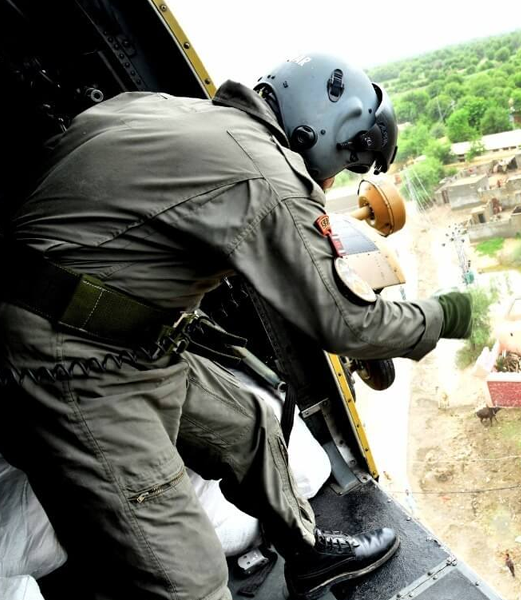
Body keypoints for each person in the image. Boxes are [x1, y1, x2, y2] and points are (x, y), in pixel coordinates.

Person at [0, 54, 473, 600]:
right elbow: (350, 326)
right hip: (70, 357)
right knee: (187, 578)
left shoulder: (165, 111)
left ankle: (307, 552)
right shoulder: (262, 167)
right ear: (324, 126)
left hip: (120, 337)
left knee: (248, 426)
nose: (332, 177)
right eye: (344, 159)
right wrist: (451, 314)